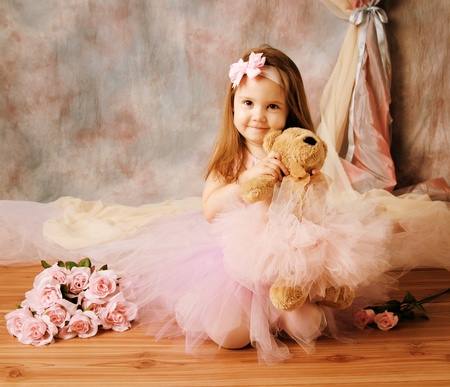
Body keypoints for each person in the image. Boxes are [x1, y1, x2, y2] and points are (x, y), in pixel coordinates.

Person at [0, 45, 449, 365]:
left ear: (290, 113)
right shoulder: (231, 158)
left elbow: (319, 205)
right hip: (232, 263)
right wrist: (248, 182)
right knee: (231, 337)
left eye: (272, 107)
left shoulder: (299, 153)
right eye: (248, 103)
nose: (258, 116)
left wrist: (308, 185)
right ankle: (259, 317)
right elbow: (212, 208)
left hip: (291, 260)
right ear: (232, 106)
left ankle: (287, 308)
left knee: (310, 330)